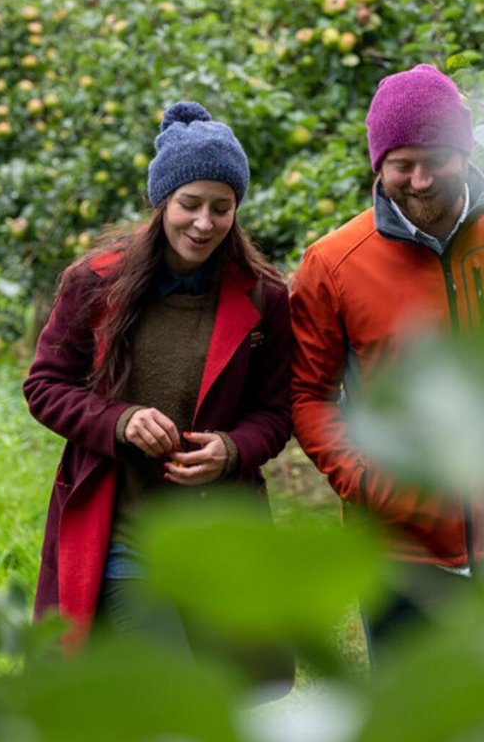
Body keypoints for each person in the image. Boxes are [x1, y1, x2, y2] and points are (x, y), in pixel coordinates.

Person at [288, 63, 484, 659]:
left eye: (434, 157)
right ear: (378, 165)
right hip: (400, 555)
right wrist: (364, 480)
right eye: (400, 163)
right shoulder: (333, 264)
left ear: (463, 152)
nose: (417, 179)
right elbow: (308, 393)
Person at [23, 100, 294, 656]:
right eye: (189, 204)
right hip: (128, 532)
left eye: (222, 208)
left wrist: (232, 448)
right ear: (161, 201)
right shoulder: (96, 283)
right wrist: (119, 422)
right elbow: (46, 386)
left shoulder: (263, 297)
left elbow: (277, 411)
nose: (203, 223)